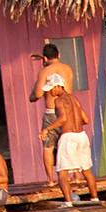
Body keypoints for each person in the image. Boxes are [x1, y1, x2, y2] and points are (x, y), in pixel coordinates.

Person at [29, 43, 76, 183]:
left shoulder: (45, 71)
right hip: (68, 110)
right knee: (68, 143)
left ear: (44, 58)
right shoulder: (67, 69)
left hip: (52, 112)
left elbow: (37, 94)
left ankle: (50, 179)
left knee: (48, 146)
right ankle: (76, 176)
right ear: (59, 55)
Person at [51, 85, 99, 204]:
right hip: (81, 136)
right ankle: (95, 198)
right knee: (87, 170)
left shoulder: (58, 101)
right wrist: (75, 121)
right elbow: (86, 120)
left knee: (62, 172)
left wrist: (47, 129)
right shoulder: (74, 99)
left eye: (51, 88)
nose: (50, 92)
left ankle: (68, 203)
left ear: (58, 86)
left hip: (68, 137)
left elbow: (63, 118)